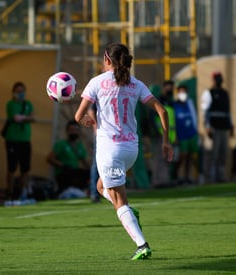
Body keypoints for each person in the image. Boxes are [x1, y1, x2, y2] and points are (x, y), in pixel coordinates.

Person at [74, 43, 173, 260]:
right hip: (131, 150)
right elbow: (162, 111)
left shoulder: (96, 82)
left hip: (110, 150)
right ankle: (128, 212)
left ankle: (142, 244)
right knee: (101, 186)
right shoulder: (135, 83)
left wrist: (87, 121)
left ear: (107, 60)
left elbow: (78, 116)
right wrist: (166, 141)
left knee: (119, 201)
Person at [3, 82, 35, 200]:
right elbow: (15, 118)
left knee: (25, 169)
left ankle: (23, 192)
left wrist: (25, 118)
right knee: (11, 168)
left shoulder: (28, 104)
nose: (20, 93)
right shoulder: (11, 104)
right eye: (17, 91)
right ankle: (10, 192)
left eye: (22, 91)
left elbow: (33, 117)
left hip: (25, 140)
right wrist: (26, 118)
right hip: (12, 140)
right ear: (13, 92)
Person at [200, 72, 233, 183]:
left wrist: (231, 125)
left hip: (224, 127)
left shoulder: (224, 93)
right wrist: (208, 126)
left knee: (223, 153)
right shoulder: (208, 93)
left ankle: (220, 176)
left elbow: (228, 111)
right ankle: (209, 176)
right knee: (212, 153)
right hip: (214, 127)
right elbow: (205, 111)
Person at [46, 120, 90, 195]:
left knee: (87, 173)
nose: (73, 132)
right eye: (71, 130)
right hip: (64, 172)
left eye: (76, 130)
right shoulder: (61, 144)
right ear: (67, 131)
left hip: (75, 171)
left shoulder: (79, 146)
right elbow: (50, 158)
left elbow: (84, 161)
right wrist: (62, 165)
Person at [173, 84, 199, 184]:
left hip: (191, 133)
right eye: (181, 92)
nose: (183, 94)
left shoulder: (189, 104)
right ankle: (176, 174)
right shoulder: (174, 105)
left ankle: (187, 177)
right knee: (182, 156)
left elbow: (194, 117)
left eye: (185, 92)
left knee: (191, 156)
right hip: (181, 135)